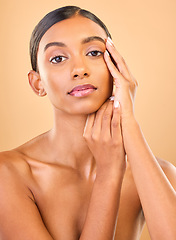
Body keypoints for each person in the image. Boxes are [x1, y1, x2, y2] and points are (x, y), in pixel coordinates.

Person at [0, 5, 176, 240]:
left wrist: (129, 122)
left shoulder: (159, 173)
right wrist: (109, 173)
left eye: (93, 53)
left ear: (116, 66)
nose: (80, 69)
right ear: (37, 83)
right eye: (58, 58)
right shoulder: (10, 173)